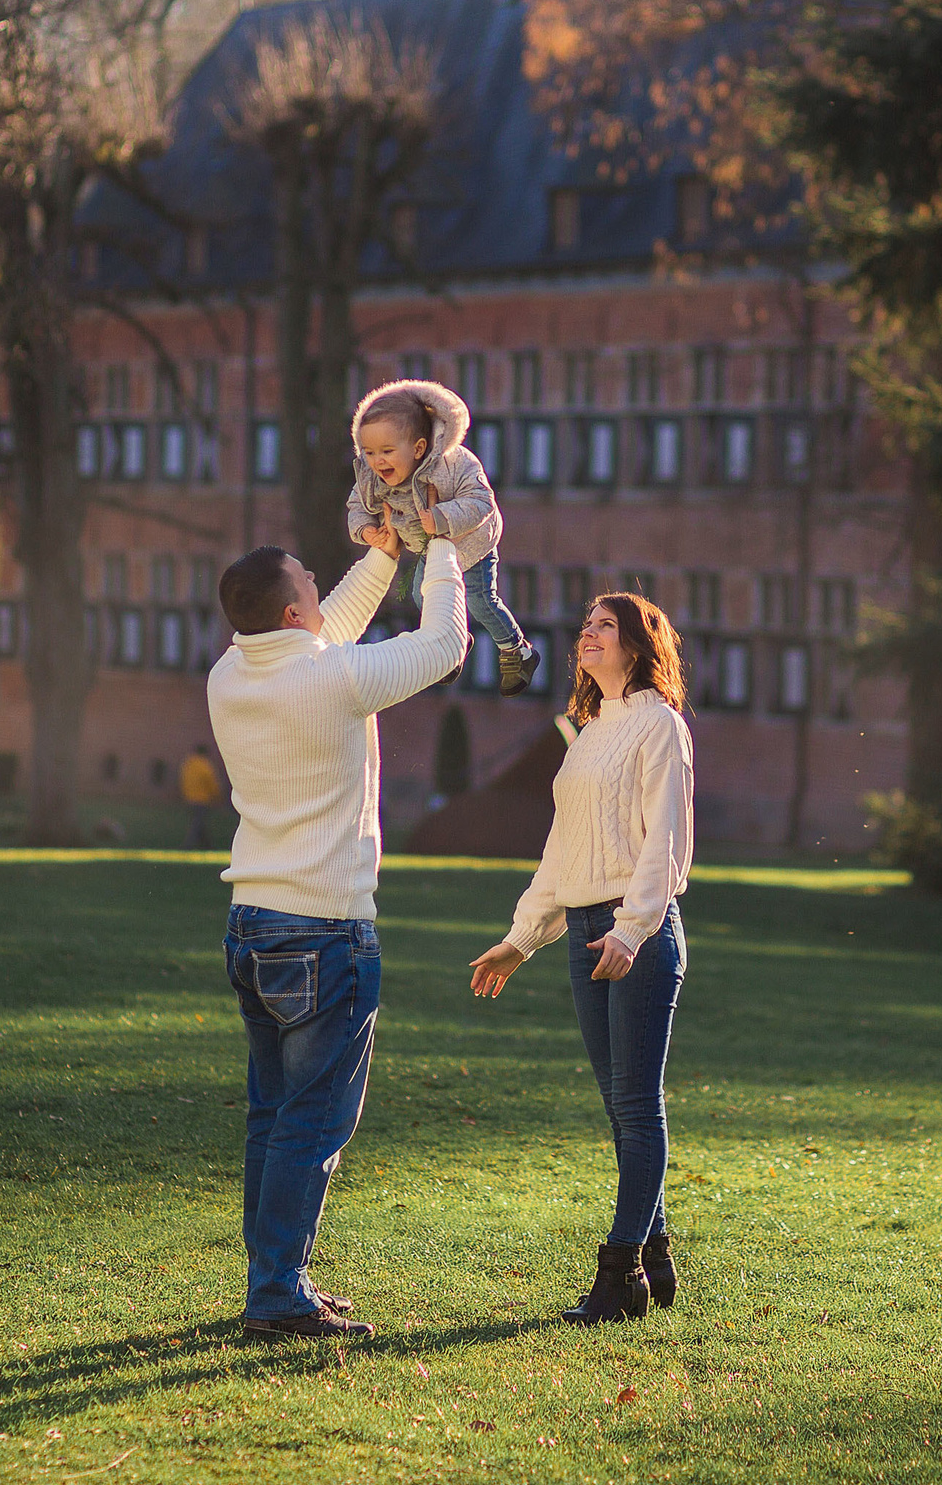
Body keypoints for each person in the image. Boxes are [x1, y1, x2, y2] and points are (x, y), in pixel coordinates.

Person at [206, 515, 468, 1339]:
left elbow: (329, 633)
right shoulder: (333, 680)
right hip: (323, 932)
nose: (324, 590)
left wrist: (388, 550)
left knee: (272, 1114)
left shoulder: (230, 672)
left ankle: (271, 1278)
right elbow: (443, 646)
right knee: (312, 1120)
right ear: (292, 614)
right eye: (313, 585)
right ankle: (277, 1294)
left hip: (253, 924)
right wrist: (452, 547)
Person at [467, 592, 693, 1325]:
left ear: (635, 644)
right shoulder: (589, 730)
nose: (587, 635)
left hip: (640, 932)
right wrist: (523, 935)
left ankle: (619, 1270)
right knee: (618, 1107)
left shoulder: (661, 724)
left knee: (636, 1104)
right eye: (586, 627)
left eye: (604, 626)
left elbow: (666, 839)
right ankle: (655, 1257)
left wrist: (631, 931)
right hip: (585, 925)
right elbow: (562, 848)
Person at [346, 378, 539, 696]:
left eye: (387, 451)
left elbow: (482, 502)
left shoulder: (455, 464)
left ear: (419, 448)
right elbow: (358, 504)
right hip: (431, 547)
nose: (377, 460)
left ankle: (519, 651)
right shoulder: (372, 477)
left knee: (480, 600)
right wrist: (365, 528)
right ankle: (455, 642)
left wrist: (441, 517)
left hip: (472, 543)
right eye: (369, 452)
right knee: (424, 596)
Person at [179, 741, 223, 850]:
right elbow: (212, 783)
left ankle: (207, 845)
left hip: (189, 798)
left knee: (199, 822)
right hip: (202, 799)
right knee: (198, 823)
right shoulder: (205, 765)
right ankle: (188, 845)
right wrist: (217, 795)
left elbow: (183, 780)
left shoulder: (188, 764)